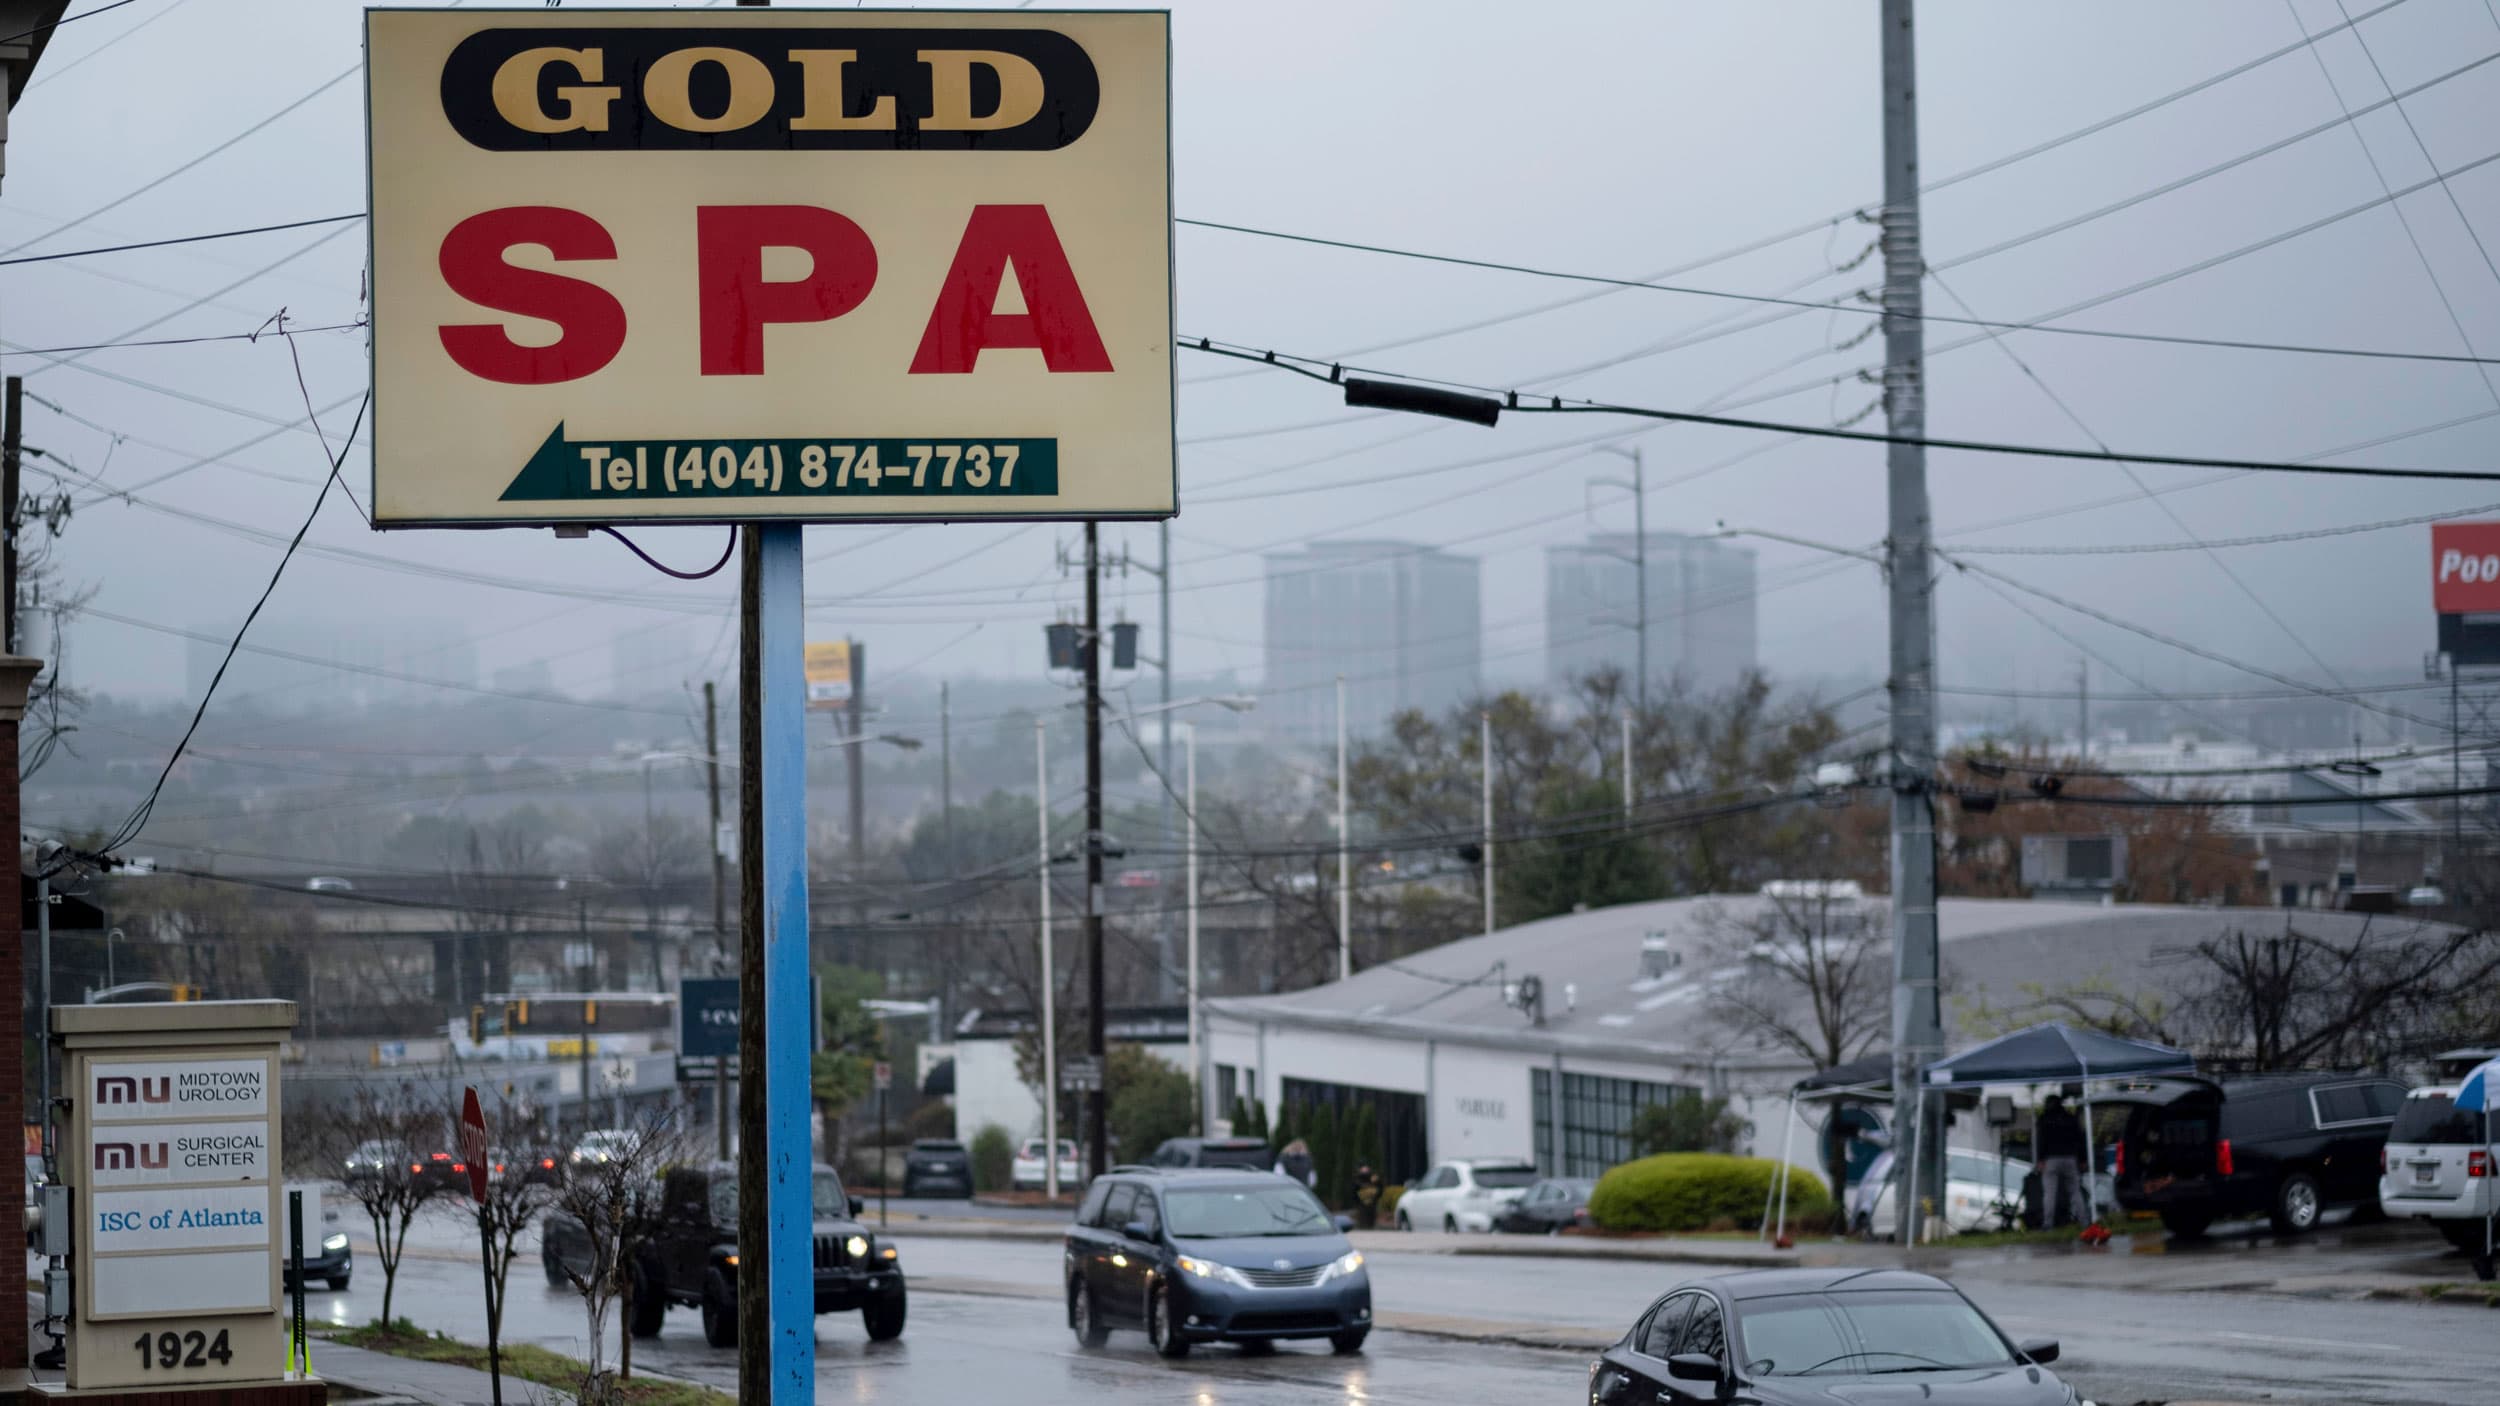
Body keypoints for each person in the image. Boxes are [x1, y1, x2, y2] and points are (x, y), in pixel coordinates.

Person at [2034, 1094, 2092, 1229]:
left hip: (2051, 1159)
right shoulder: (2070, 1119)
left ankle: (2048, 1224)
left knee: (2049, 1193)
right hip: (2070, 1158)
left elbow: (2041, 1140)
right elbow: (2080, 1140)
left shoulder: (2044, 1119)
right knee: (2075, 1191)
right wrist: (2083, 1159)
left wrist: (2040, 1159)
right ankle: (2084, 1221)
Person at [1351, 1162, 1384, 1229]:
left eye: (1366, 1169)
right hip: (1361, 1202)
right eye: (1363, 1169)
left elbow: (1380, 1188)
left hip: (1372, 1200)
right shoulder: (1357, 1178)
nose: (1365, 1170)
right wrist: (1356, 1200)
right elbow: (1353, 1190)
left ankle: (1371, 1225)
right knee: (1363, 1214)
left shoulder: (1374, 1178)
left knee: (1371, 1214)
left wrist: (1376, 1197)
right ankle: (1363, 1225)